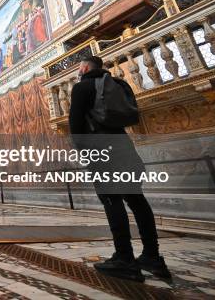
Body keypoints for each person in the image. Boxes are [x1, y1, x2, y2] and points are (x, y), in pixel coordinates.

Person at [69, 56, 170, 282]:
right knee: (137, 200)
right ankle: (153, 256)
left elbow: (75, 127)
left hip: (102, 152)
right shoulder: (118, 84)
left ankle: (124, 259)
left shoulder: (82, 87)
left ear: (84, 68)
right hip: (125, 149)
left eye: (79, 68)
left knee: (112, 200)